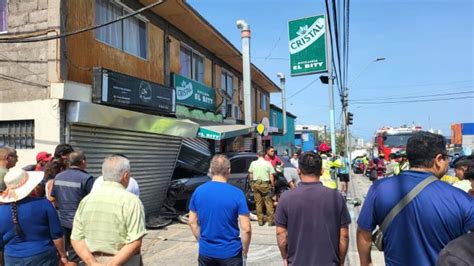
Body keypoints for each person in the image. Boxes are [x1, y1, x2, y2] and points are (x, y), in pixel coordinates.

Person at [357, 132, 474, 266]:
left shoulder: (379, 189)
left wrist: (366, 263)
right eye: (446, 157)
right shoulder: (462, 200)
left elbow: (363, 232)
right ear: (438, 159)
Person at [275, 152, 351, 265]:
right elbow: (344, 235)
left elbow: (281, 234)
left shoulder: (286, 198)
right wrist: (341, 261)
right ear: (321, 171)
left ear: (298, 171)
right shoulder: (336, 197)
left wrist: (285, 257)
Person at [71, 155, 147, 265]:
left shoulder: (86, 200)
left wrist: (92, 263)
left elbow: (76, 238)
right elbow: (135, 242)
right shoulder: (132, 201)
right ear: (125, 176)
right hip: (123, 262)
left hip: (93, 260)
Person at [188, 155, 252, 265]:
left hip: (206, 253)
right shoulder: (237, 194)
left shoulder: (198, 191)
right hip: (231, 253)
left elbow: (192, 221)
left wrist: (202, 241)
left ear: (211, 170)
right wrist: (244, 251)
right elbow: (246, 228)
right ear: (229, 171)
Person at [0, 169, 68, 266]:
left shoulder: (1, 211)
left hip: (12, 258)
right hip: (43, 256)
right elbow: (56, 235)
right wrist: (63, 256)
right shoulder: (44, 204)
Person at [52, 150, 94, 264]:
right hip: (79, 223)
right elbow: (92, 201)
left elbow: (53, 198)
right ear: (83, 162)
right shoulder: (87, 178)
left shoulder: (58, 176)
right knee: (75, 254)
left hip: (61, 221)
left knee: (65, 253)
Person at [249, 151, 275, 226]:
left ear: (257, 155)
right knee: (268, 203)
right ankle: (270, 221)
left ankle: (260, 221)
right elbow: (271, 176)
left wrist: (251, 184)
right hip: (265, 184)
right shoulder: (268, 163)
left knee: (258, 203)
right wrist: (272, 185)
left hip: (256, 184)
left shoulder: (253, 163)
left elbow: (251, 174)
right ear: (264, 155)